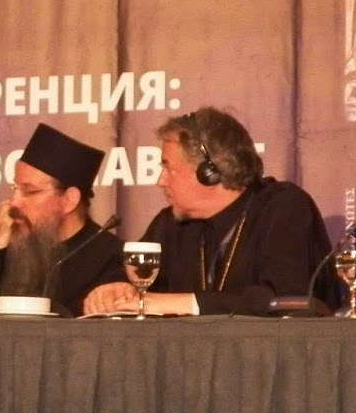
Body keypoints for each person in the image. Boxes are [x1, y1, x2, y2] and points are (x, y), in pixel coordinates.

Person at [83, 108, 335, 317]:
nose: (160, 181)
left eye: (168, 168)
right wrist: (115, 287)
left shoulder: (283, 207)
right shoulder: (170, 224)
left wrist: (179, 303)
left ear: (209, 173)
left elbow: (285, 299)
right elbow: (129, 272)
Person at [0, 123, 125, 318]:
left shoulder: (112, 260)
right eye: (14, 188)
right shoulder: (12, 246)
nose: (14, 202)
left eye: (29, 191)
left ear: (69, 200)